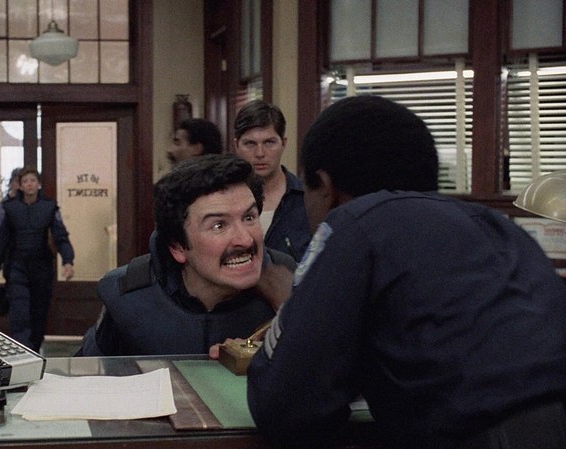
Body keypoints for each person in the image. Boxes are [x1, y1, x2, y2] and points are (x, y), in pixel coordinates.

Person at [245, 95, 566, 448]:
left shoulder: (354, 223)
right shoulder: (497, 226)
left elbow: (284, 405)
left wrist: (293, 308)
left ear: (326, 186)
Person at [77, 154, 296, 356]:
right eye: (219, 225)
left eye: (249, 218)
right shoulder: (127, 295)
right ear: (178, 247)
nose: (245, 240)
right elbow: (87, 377)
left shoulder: (290, 286)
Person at [0, 166, 75, 352]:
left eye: (33, 181)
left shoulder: (49, 207)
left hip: (41, 267)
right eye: (25, 181)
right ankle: (23, 351)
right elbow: (3, 241)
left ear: (39, 184)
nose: (29, 184)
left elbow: (61, 236)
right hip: (16, 267)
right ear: (20, 185)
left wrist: (68, 261)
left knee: (39, 314)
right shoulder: (11, 208)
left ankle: (34, 349)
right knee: (19, 312)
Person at [232, 100, 311, 262]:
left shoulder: (307, 199)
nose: (260, 153)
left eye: (269, 142)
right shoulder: (221, 200)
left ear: (283, 143)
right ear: (236, 145)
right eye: (250, 144)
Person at [0, 166, 22, 235]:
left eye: (22, 181)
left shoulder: (30, 202)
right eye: (17, 181)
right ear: (11, 182)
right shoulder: (4, 203)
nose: (19, 184)